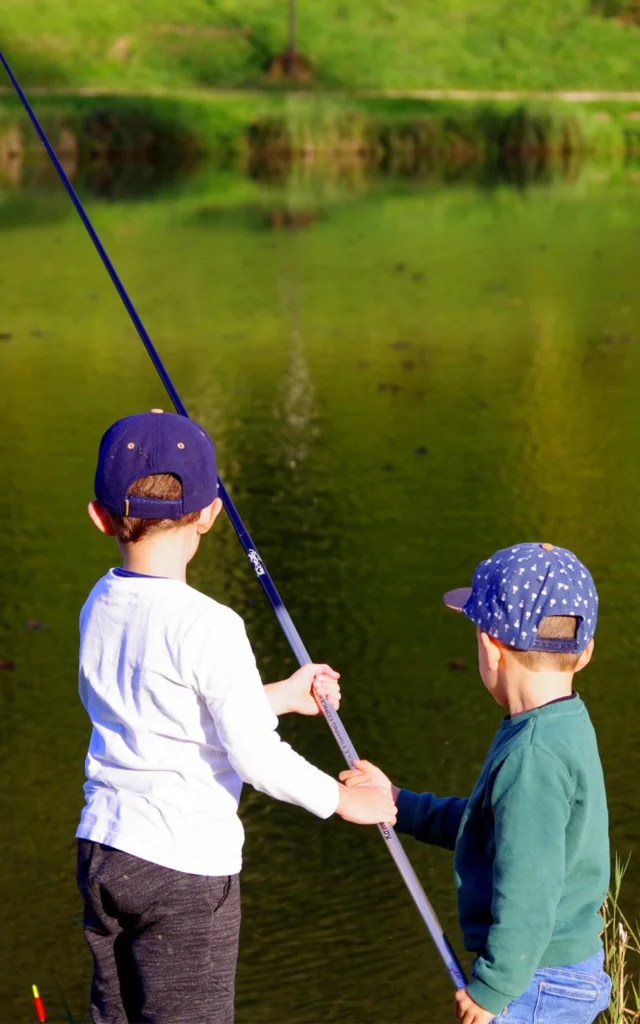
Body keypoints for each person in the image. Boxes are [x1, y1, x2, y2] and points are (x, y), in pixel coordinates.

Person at [76, 409, 396, 1024]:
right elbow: (253, 756)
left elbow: (157, 711)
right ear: (210, 514)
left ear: (100, 517)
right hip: (185, 869)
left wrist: (275, 695)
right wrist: (341, 799)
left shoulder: (98, 603)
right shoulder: (211, 624)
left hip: (104, 848)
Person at [341, 542, 611, 1024]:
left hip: (535, 980)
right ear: (585, 652)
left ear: (489, 647)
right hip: (556, 968)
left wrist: (492, 989)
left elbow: (528, 890)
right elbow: (495, 828)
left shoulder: (532, 755)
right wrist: (401, 803)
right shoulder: (562, 724)